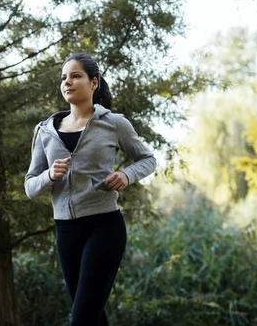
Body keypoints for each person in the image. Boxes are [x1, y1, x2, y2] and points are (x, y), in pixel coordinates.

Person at [24, 53, 157, 326]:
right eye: (64, 78)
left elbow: (148, 159)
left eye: (76, 76)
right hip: (66, 230)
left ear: (93, 83)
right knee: (93, 317)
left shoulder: (113, 123)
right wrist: (50, 175)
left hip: (104, 226)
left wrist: (127, 174)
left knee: (82, 319)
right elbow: (30, 186)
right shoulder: (45, 131)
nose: (67, 82)